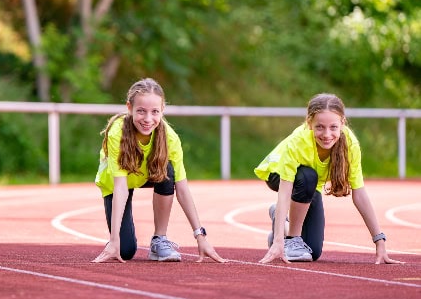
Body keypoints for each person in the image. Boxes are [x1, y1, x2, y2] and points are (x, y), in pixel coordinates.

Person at [254, 93, 403, 264]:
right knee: (308, 176)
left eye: (333, 127)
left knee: (313, 251)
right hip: (277, 175)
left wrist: (380, 241)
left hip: (310, 184)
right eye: (319, 127)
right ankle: (291, 239)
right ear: (309, 124)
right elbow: (285, 191)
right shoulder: (298, 141)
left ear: (342, 123)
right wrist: (280, 242)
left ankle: (281, 224)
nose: (327, 134)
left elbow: (359, 194)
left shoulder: (350, 145)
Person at [92, 78, 226, 263]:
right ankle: (117, 242)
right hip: (117, 182)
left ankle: (159, 239)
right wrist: (114, 240)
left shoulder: (170, 139)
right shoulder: (117, 133)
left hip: (148, 174)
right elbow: (121, 187)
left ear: (162, 110)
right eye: (141, 111)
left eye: (155, 112)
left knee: (168, 170)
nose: (148, 119)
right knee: (125, 251)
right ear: (129, 108)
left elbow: (182, 188)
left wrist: (200, 236)